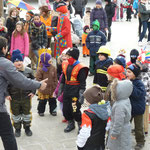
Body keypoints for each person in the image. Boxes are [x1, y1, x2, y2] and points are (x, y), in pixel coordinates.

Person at [0, 36, 47, 150]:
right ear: (3, 49)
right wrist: (39, 84)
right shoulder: (4, 64)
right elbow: (22, 82)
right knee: (8, 136)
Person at [58, 47, 89, 133]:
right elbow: (64, 77)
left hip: (75, 91)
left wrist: (81, 94)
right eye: (66, 56)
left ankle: (80, 124)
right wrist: (60, 88)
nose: (67, 58)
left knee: (75, 110)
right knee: (66, 109)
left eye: (69, 56)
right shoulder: (65, 64)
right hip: (67, 90)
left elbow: (83, 83)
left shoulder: (81, 68)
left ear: (74, 57)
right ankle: (70, 123)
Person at [7, 49, 35, 137]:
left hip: (26, 97)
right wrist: (7, 94)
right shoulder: (9, 73)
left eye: (20, 60)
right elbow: (5, 84)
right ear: (12, 63)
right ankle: (17, 128)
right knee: (16, 114)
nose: (19, 62)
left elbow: (33, 82)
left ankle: (27, 128)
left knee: (27, 113)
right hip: (14, 98)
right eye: (16, 61)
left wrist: (33, 92)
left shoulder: (28, 71)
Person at [76, 86, 111, 150]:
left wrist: (80, 144)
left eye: (86, 99)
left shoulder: (87, 115)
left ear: (90, 100)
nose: (85, 100)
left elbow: (85, 132)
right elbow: (108, 126)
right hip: (100, 143)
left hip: (89, 145)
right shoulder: (106, 110)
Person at [107, 79, 133, 150]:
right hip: (125, 128)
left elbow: (118, 121)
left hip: (120, 132)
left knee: (119, 146)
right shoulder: (126, 99)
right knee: (124, 144)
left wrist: (114, 133)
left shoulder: (119, 105)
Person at [127, 64, 146, 150]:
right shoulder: (127, 81)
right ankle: (125, 140)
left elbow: (138, 95)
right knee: (126, 125)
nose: (127, 73)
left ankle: (140, 142)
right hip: (129, 109)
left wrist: (130, 86)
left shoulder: (139, 83)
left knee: (138, 128)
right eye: (127, 71)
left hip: (138, 109)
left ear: (135, 74)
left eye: (129, 72)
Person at [36, 52, 58, 116]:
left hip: (52, 88)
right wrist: (41, 86)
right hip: (44, 88)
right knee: (42, 101)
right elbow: (38, 79)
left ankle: (53, 110)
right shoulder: (40, 69)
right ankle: (40, 111)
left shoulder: (53, 68)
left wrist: (55, 85)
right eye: (49, 59)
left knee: (53, 100)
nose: (50, 60)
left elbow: (55, 78)